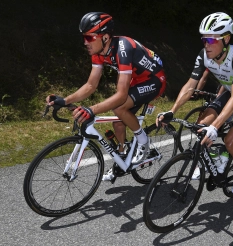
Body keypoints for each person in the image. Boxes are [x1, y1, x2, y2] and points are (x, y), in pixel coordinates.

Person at [46, 12, 166, 181]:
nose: (85, 42)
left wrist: (91, 110)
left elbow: (121, 95)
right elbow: (90, 85)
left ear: (105, 37)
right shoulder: (98, 52)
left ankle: (143, 142)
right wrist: (65, 100)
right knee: (118, 123)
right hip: (135, 80)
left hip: (154, 80)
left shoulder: (123, 48)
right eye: (84, 38)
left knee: (119, 107)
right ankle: (122, 159)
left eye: (89, 37)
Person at [157, 12, 233, 194]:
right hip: (230, 93)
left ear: (226, 39)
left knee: (230, 141)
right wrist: (172, 110)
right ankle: (214, 157)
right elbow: (190, 85)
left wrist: (215, 127)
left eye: (212, 40)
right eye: (204, 40)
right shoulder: (204, 55)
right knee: (200, 126)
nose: (207, 45)